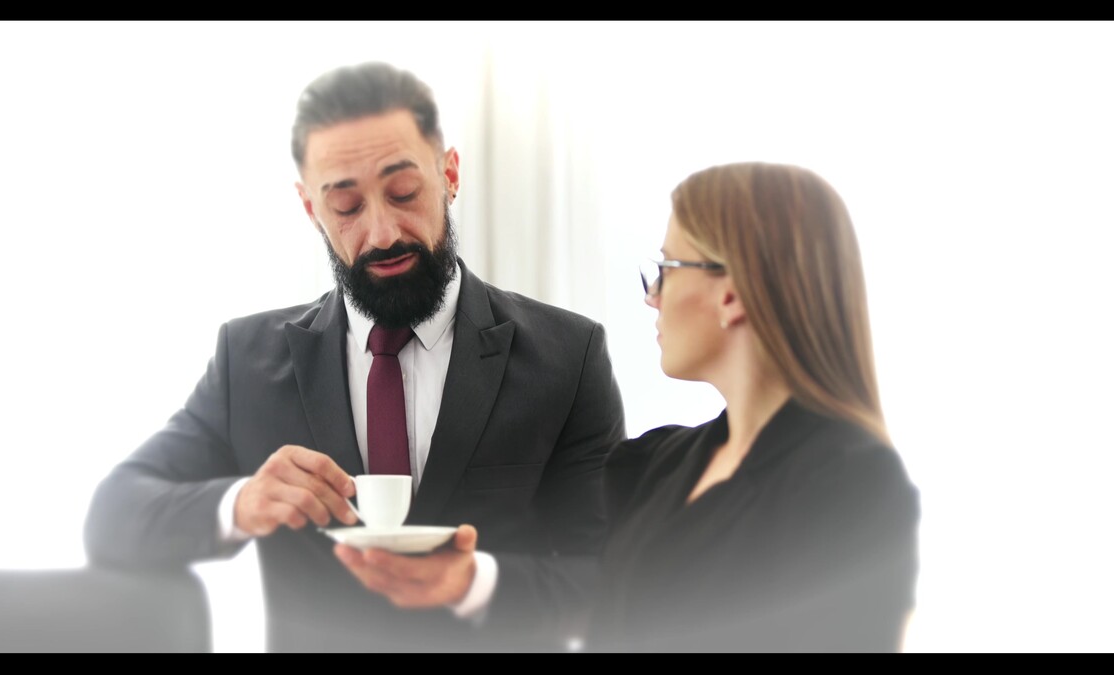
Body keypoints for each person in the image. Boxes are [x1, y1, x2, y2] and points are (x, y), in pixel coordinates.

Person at [82, 61, 626, 653]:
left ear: (449, 174)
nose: (383, 232)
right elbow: (114, 515)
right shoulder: (246, 362)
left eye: (404, 192)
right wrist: (241, 503)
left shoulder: (567, 357)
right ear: (310, 208)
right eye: (346, 206)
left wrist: (477, 583)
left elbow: (610, 581)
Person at [583, 162, 921, 652]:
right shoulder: (654, 464)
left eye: (667, 269)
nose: (652, 297)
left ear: (732, 295)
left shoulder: (853, 487)